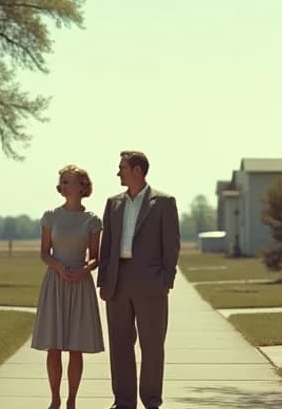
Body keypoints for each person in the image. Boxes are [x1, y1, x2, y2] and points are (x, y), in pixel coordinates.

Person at [97, 150, 181, 409]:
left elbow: (172, 245)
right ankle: (123, 401)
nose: (118, 171)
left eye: (122, 166)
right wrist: (103, 280)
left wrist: (166, 279)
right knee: (120, 345)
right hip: (118, 282)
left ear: (137, 170)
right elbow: (107, 244)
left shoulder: (164, 202)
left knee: (152, 345)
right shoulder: (113, 203)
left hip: (151, 283)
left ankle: (151, 401)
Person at [31, 165, 105, 409]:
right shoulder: (50, 216)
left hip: (80, 284)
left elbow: (95, 257)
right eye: (61, 182)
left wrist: (84, 269)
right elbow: (44, 253)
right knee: (54, 346)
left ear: (82, 186)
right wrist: (59, 267)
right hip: (56, 282)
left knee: (76, 347)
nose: (63, 185)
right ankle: (55, 399)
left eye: (67, 181)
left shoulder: (92, 220)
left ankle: (72, 400)